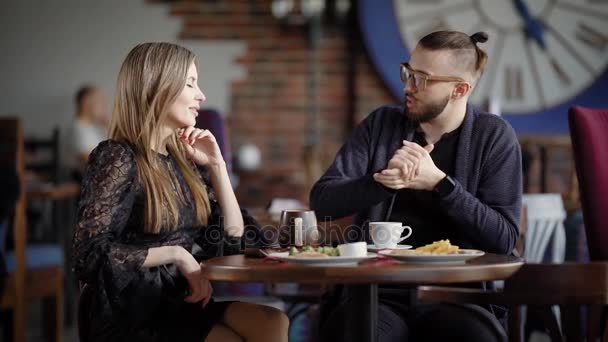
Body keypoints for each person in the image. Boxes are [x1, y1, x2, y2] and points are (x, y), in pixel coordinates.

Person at [311, 31, 521, 342]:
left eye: (422, 79)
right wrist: (383, 182)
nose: (408, 86)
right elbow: (322, 200)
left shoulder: (493, 137)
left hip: (457, 297)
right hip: (377, 293)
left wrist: (440, 184)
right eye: (408, 72)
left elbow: (503, 238)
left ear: (459, 89)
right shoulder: (381, 124)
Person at [72, 42, 289, 341]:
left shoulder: (184, 161)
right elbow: (88, 255)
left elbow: (234, 237)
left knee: (273, 321)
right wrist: (177, 255)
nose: (201, 95)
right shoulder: (117, 157)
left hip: (179, 299)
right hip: (133, 309)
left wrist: (217, 166)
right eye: (190, 83)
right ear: (157, 88)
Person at [68, 85, 109, 180]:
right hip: (86, 181)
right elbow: (88, 159)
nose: (105, 106)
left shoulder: (98, 127)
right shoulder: (77, 128)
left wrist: (109, 126)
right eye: (100, 101)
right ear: (85, 102)